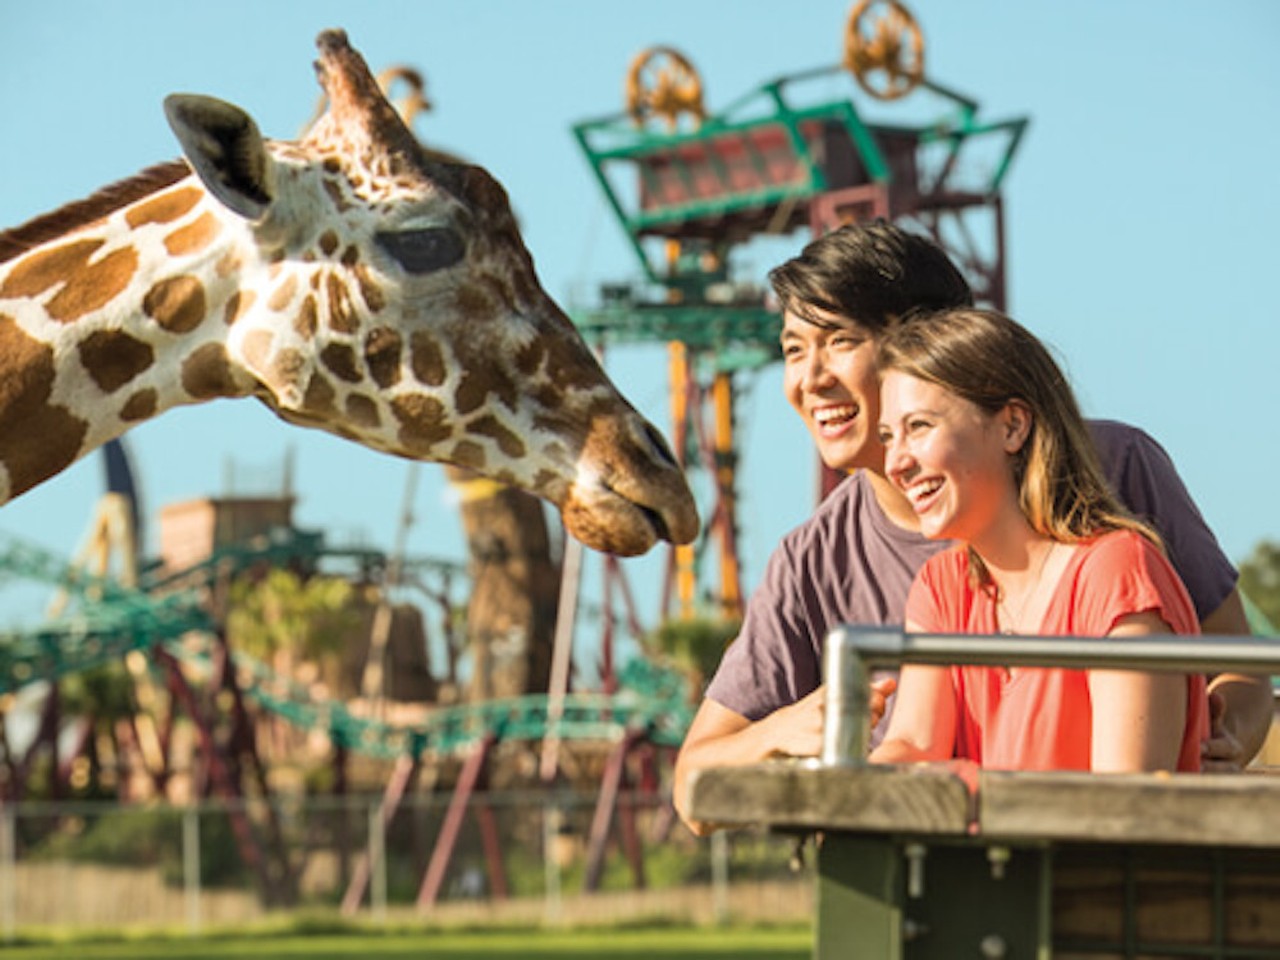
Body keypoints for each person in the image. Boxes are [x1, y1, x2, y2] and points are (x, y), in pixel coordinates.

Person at [673, 221, 1271, 833]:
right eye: (794, 349)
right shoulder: (893, 575)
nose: (811, 378)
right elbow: (698, 783)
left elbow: (1217, 682)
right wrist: (788, 734)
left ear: (931, 345)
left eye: (840, 341)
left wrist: (1221, 740)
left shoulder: (1117, 488)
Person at [869, 306, 1207, 771]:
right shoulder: (941, 586)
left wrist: (957, 786)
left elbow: (1125, 807)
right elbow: (910, 746)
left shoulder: (1117, 573)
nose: (895, 463)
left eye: (919, 428)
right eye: (888, 437)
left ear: (1012, 426)